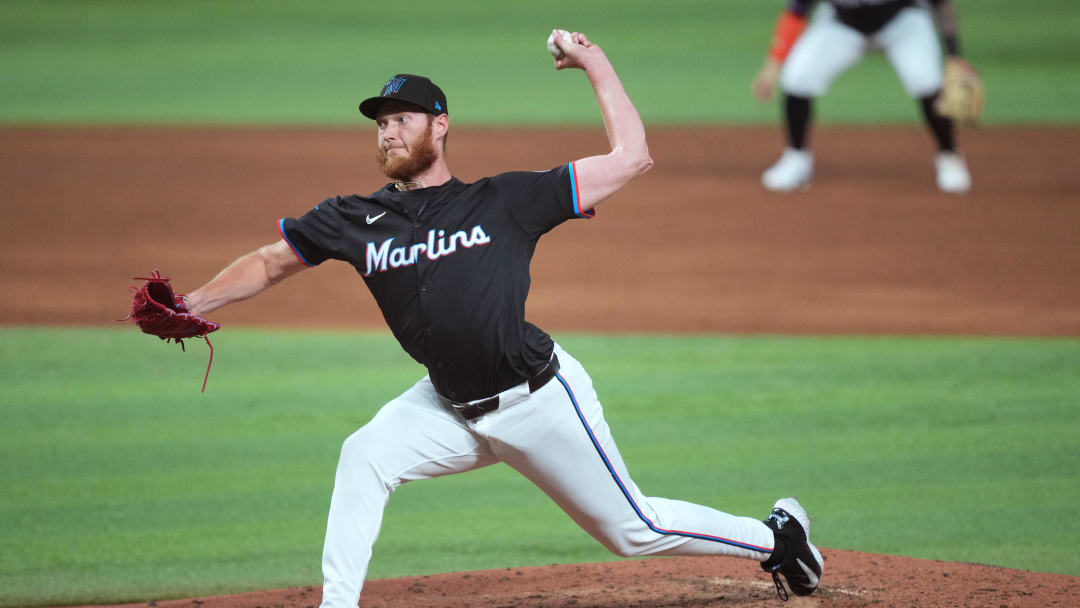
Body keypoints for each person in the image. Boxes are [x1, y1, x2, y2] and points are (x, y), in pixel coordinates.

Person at [181, 31, 823, 606]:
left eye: (402, 119)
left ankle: (777, 539)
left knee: (636, 531)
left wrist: (593, 62)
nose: (387, 132)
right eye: (380, 123)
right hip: (446, 404)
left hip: (537, 399)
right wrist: (193, 305)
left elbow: (632, 158)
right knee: (364, 455)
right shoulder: (355, 218)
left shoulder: (505, 200)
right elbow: (270, 263)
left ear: (440, 127)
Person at [752, 0, 974, 193]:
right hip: (842, 25)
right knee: (797, 78)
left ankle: (949, 157)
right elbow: (796, 11)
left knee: (927, 82)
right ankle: (796, 158)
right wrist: (773, 66)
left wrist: (955, 55)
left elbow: (942, 4)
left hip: (902, 22)